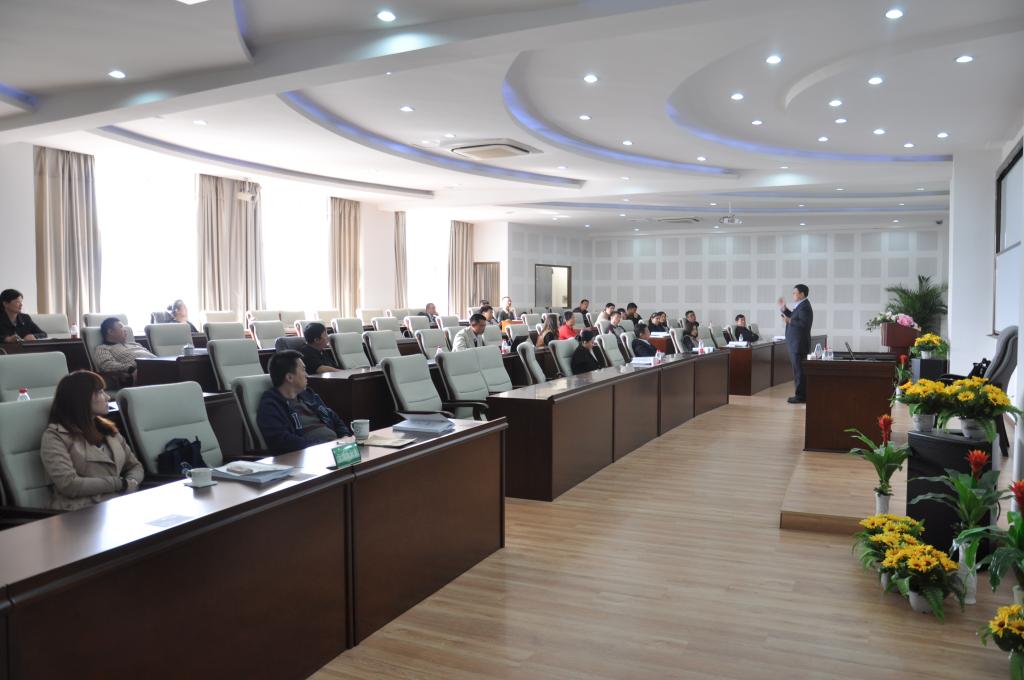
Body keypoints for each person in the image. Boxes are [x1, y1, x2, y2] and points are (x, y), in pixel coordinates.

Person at [39, 371, 145, 511]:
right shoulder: (55, 436)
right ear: (81, 399)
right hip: (79, 512)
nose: (107, 397)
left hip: (118, 504)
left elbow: (135, 466)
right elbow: (69, 485)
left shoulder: (108, 429)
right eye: (100, 392)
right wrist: (120, 484)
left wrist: (130, 483)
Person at [257, 350, 352, 454]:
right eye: (303, 370)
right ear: (289, 377)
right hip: (308, 455)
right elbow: (282, 441)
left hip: (335, 449)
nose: (307, 375)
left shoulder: (308, 395)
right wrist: (324, 445)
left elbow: (334, 418)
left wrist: (345, 437)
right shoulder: (271, 405)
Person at [92, 317, 156, 387]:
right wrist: (130, 368)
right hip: (142, 371)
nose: (125, 330)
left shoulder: (134, 344)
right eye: (121, 327)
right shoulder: (103, 348)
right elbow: (106, 365)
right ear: (110, 331)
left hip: (157, 365)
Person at [779, 284, 814, 404]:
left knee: (799, 371)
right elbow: (795, 317)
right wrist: (784, 309)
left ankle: (800, 396)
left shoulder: (804, 307)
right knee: (798, 370)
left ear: (802, 294)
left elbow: (804, 324)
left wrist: (789, 320)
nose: (793, 295)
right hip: (796, 343)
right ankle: (801, 394)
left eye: (795, 293)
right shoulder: (801, 305)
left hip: (798, 344)